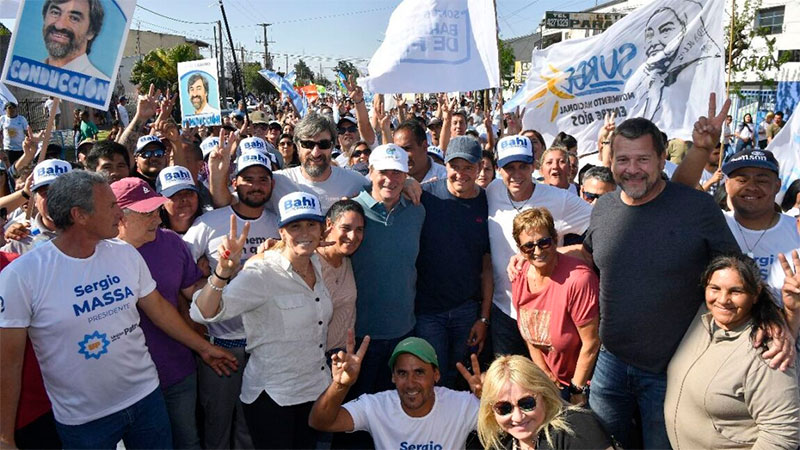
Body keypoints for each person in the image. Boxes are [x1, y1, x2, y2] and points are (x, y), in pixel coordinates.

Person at [0, 170, 235, 449]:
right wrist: (4, 436)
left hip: (146, 398)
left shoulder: (124, 254)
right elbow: (8, 363)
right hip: (84, 419)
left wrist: (203, 348)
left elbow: (160, 310)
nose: (119, 214)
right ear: (80, 215)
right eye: (111, 206)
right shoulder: (22, 276)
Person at [583, 115, 743, 449]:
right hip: (609, 364)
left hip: (671, 370)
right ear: (610, 162)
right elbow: (589, 255)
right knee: (605, 445)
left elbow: (737, 271)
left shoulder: (696, 208)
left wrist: (774, 320)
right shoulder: (604, 207)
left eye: (643, 159)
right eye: (623, 159)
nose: (632, 169)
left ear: (661, 160)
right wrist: (536, 256)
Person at [191, 191, 332, 449]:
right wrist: (222, 272)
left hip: (314, 391)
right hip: (274, 399)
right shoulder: (261, 273)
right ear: (281, 232)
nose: (304, 232)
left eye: (312, 224)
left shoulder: (318, 264)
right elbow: (203, 312)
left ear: (322, 229)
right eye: (295, 225)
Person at [183, 150, 279, 450]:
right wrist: (200, 285)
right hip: (221, 347)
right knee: (217, 426)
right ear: (235, 181)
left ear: (272, 185)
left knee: (253, 426)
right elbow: (178, 268)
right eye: (248, 179)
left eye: (263, 179)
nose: (255, 185)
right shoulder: (209, 222)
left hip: (265, 346)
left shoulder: (281, 224)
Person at [665, 253, 800, 449]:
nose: (723, 299)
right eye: (715, 288)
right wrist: (788, 316)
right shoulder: (704, 315)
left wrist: (793, 312)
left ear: (756, 294)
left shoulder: (769, 350)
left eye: (736, 291)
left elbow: (781, 436)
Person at [111, 177, 205, 449]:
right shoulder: (97, 255)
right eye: (147, 213)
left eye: (156, 210)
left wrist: (223, 275)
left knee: (188, 441)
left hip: (176, 370)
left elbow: (193, 290)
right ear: (119, 216)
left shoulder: (172, 242)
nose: (157, 219)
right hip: (125, 386)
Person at [487, 135, 592, 357]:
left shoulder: (559, 199)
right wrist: (410, 183)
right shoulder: (492, 191)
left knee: (547, 384)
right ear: (498, 168)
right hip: (504, 310)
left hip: (546, 312)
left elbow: (603, 227)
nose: (516, 175)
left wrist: (552, 253)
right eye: (509, 167)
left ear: (534, 166)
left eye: (523, 166)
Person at [309, 336, 481, 449]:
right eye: (402, 373)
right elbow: (320, 422)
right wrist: (340, 385)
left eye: (419, 372)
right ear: (393, 377)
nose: (410, 383)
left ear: (436, 375)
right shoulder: (376, 406)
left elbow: (504, 421)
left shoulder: (461, 405)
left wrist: (488, 394)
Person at [415, 137, 491, 388]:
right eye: (454, 166)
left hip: (466, 311)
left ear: (480, 167)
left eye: (467, 166)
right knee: (431, 378)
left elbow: (487, 267)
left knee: (460, 379)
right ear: (445, 166)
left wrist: (483, 318)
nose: (460, 174)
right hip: (427, 312)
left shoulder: (488, 203)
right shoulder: (424, 195)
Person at [350, 144, 426, 396]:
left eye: (398, 173)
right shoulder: (351, 212)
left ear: (406, 176)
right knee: (357, 419)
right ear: (370, 171)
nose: (390, 180)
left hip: (404, 330)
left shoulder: (416, 210)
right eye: (384, 171)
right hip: (359, 335)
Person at [511, 208, 600, 405]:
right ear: (520, 249)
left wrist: (577, 389)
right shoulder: (519, 274)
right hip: (550, 384)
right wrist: (545, 375)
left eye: (544, 242)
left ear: (554, 239)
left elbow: (592, 342)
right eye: (528, 246)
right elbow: (529, 330)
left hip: (584, 383)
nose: (537, 251)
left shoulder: (579, 280)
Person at [477, 355, 615, 450]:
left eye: (527, 403)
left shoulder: (576, 428)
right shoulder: (501, 443)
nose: (517, 417)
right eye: (504, 408)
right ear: (491, 410)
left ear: (545, 396)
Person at [316, 199, 365, 356]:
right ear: (329, 224)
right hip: (314, 361)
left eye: (359, 229)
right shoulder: (309, 262)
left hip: (343, 357)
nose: (352, 236)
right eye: (346, 228)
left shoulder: (348, 261)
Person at [1, 159, 71, 255]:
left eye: (61, 191)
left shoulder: (92, 234)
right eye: (45, 193)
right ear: (34, 199)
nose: (53, 198)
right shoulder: (19, 242)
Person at [41, 0, 109, 80]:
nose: (59, 25)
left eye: (74, 18)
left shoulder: (99, 86)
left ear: (91, 32)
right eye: (55, 13)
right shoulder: (26, 71)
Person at [394, 120, 447, 184]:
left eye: (407, 148)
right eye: (398, 150)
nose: (401, 155)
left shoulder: (446, 177)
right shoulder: (392, 180)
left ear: (424, 146)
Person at [157, 165, 202, 235]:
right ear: (161, 201)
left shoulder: (213, 225)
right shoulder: (152, 237)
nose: (184, 199)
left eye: (189, 193)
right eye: (175, 194)